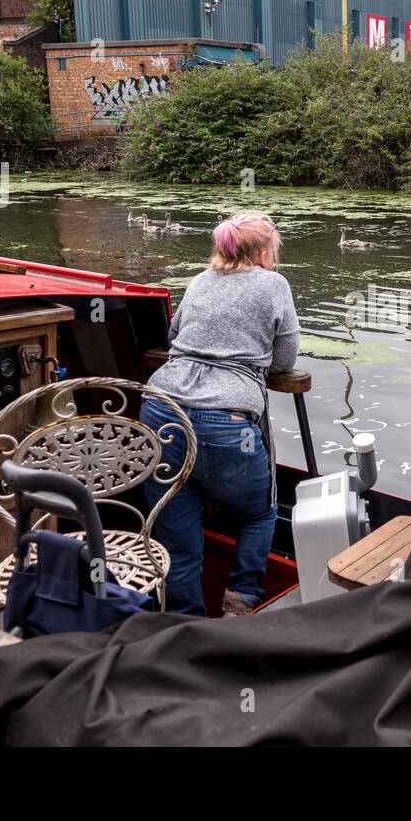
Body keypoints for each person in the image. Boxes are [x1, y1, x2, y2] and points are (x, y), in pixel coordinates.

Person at [139, 212, 299, 617]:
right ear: (265, 250)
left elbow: (173, 337)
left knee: (176, 539)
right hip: (226, 422)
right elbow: (284, 359)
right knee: (259, 512)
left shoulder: (199, 280)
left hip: (160, 409)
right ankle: (239, 603)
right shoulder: (274, 284)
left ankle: (186, 627)